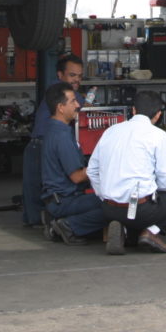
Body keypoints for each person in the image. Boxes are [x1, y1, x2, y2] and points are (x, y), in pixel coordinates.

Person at [87, 90, 166, 255]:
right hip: (141, 210)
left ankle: (123, 228)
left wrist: (104, 195)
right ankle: (151, 232)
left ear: (133, 110)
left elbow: (92, 170)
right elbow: (165, 180)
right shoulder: (159, 136)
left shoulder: (110, 131)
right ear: (158, 115)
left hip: (108, 208)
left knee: (136, 210)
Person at [38, 81, 107, 245]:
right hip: (64, 200)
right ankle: (68, 226)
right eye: (73, 101)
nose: (78, 105)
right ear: (61, 108)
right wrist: (106, 168)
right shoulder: (61, 136)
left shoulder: (54, 129)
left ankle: (58, 220)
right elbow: (76, 176)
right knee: (114, 205)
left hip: (58, 199)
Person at [22, 54, 85, 227]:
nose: (76, 80)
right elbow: (82, 109)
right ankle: (45, 222)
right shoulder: (63, 93)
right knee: (40, 187)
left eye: (80, 76)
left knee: (35, 188)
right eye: (72, 75)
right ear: (60, 75)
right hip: (40, 145)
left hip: (38, 144)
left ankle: (37, 221)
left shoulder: (59, 91)